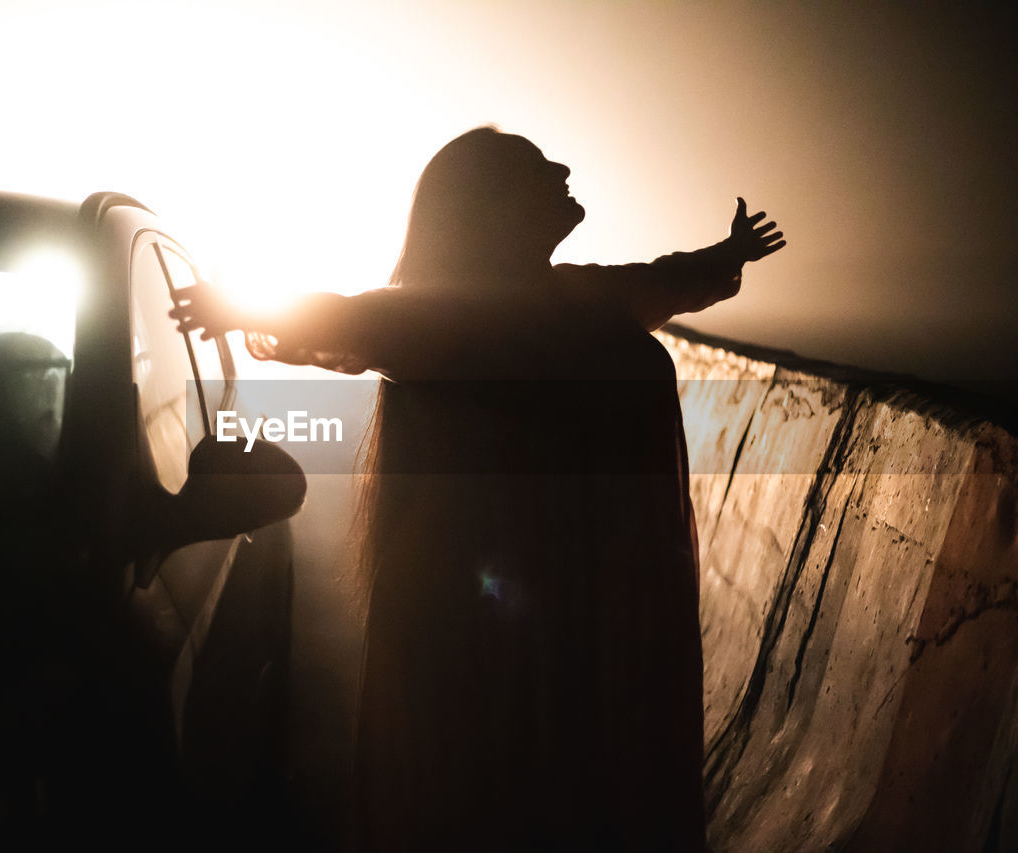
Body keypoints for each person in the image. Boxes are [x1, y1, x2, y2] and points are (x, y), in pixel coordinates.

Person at [170, 126, 785, 850]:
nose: (560, 168)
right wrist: (242, 308)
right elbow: (343, 318)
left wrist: (730, 253)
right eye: (535, 168)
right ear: (492, 206)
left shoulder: (584, 292)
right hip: (507, 644)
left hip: (602, 622)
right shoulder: (454, 313)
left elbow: (668, 275)